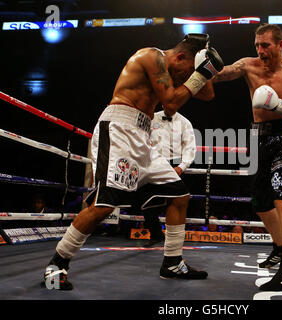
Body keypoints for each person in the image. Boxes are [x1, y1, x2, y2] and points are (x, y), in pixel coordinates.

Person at [43, 33, 224, 290]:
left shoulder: (176, 69)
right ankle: (56, 264)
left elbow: (207, 94)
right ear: (181, 56)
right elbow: (171, 104)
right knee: (103, 206)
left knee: (180, 195)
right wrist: (197, 74)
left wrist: (206, 70)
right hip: (119, 129)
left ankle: (172, 263)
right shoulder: (152, 57)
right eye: (185, 72)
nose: (184, 79)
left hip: (144, 136)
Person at [214, 24, 282, 291]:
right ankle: (280, 247)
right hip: (258, 137)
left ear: (280, 45)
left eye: (265, 45)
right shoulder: (248, 65)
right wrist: (205, 63)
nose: (260, 50)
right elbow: (222, 74)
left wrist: (280, 106)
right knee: (260, 201)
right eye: (257, 45)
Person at [142, 107, 197, 246]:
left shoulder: (185, 122)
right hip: (153, 162)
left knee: (175, 202)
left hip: (175, 162)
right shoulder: (151, 118)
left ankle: (174, 240)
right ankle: (155, 234)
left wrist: (182, 166)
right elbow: (141, 139)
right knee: (147, 201)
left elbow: (189, 147)